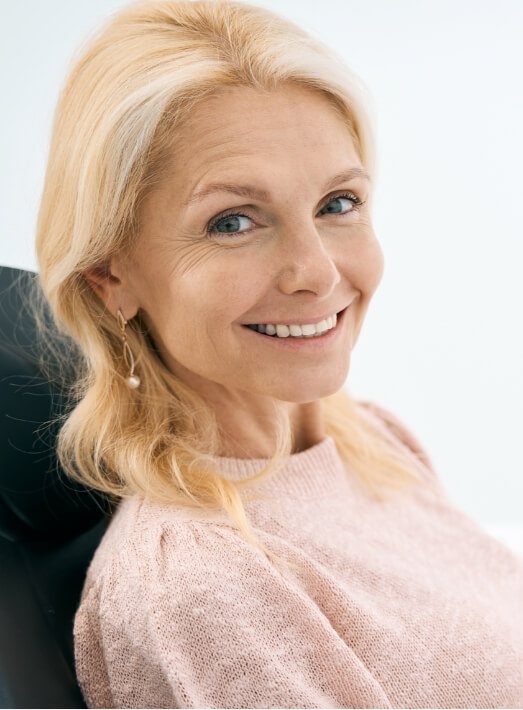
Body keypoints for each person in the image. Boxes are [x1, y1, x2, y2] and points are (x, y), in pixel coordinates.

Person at [34, 0, 523, 707]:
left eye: (337, 204)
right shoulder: (203, 585)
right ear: (111, 274)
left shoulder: (373, 444)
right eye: (233, 221)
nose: (316, 272)